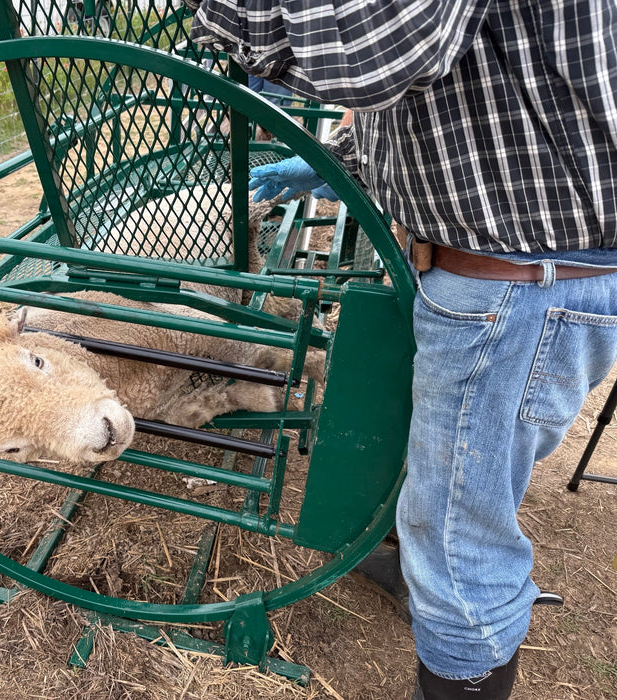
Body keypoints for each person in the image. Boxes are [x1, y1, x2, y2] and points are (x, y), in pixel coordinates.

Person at [188, 2, 617, 698]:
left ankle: (459, 664)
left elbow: (372, 52)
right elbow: (459, 92)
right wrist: (327, 164)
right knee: (445, 490)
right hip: (523, 269)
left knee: (456, 535)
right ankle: (409, 565)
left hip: (515, 281)